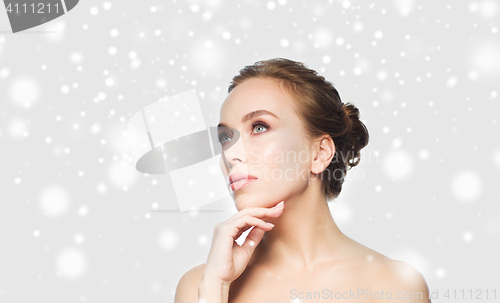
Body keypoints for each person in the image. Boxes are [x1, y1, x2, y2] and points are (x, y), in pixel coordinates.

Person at [174, 58, 431, 303]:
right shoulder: (200, 285)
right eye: (225, 138)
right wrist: (215, 288)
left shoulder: (395, 285)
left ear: (320, 153)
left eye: (260, 127)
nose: (230, 154)